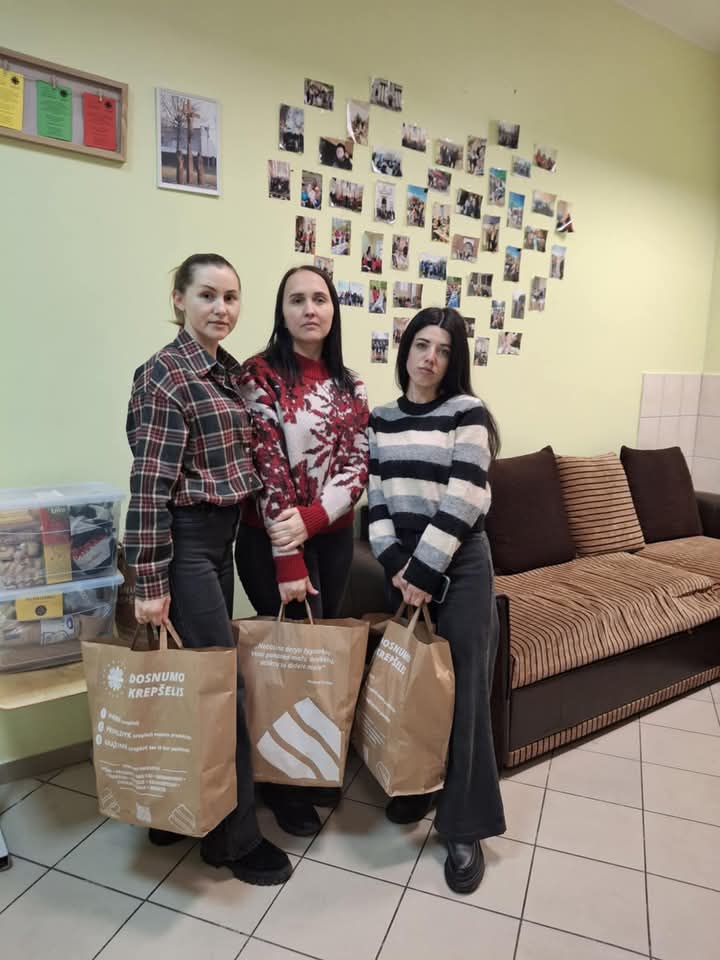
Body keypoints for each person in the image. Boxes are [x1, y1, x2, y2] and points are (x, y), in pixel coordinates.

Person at [124, 253, 291, 886]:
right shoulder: (165, 375)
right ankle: (234, 840)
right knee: (224, 688)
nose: (221, 308)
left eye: (230, 297)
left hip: (220, 539)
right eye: (206, 295)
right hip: (186, 543)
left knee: (193, 682)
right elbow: (149, 486)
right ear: (178, 299)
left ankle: (178, 812)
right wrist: (150, 581)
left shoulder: (225, 372)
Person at [367, 307, 505, 895]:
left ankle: (464, 825)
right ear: (405, 350)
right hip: (407, 568)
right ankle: (420, 784)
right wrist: (399, 567)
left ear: (455, 361)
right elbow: (376, 502)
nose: (430, 358)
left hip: (462, 563)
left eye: (444, 350)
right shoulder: (381, 418)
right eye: (422, 345)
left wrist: (424, 569)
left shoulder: (468, 413)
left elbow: (465, 497)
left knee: (466, 692)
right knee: (419, 685)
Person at [236, 265, 369, 837]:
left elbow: (358, 465)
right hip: (270, 542)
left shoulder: (351, 383)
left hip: (333, 538)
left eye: (319, 299)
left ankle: (308, 764)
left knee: (315, 659)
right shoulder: (258, 375)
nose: (309, 309)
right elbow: (266, 466)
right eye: (297, 300)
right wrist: (288, 556)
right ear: (282, 311)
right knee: (284, 661)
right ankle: (280, 784)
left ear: (333, 310)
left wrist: (315, 519)